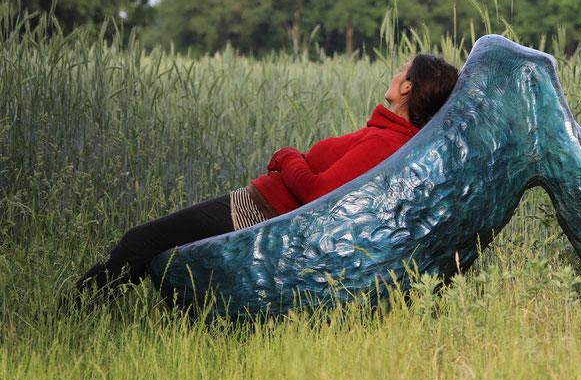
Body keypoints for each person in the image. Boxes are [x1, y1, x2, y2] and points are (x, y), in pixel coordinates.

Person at [74, 54, 459, 300]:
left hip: (256, 213)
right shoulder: (390, 137)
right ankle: (94, 311)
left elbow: (319, 193)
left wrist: (288, 155)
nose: (395, 74)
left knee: (142, 241)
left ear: (408, 86)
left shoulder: (386, 141)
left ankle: (70, 316)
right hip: (259, 208)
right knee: (156, 253)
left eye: (402, 70)